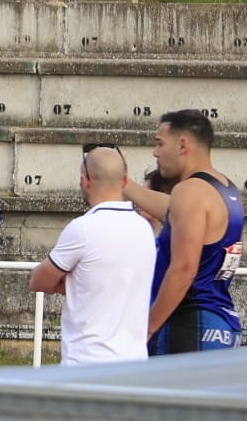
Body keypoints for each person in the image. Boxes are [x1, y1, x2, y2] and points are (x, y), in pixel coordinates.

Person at [125, 109, 244, 354]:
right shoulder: (224, 189)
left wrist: (146, 330)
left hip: (190, 324)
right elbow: (171, 211)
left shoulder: (188, 192)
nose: (155, 152)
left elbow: (183, 270)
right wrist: (124, 183)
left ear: (182, 145)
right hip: (219, 322)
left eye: (160, 144)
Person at [29, 144, 155, 365]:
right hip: (134, 362)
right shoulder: (144, 228)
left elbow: (39, 281)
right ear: (125, 181)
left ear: (84, 180)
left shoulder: (83, 228)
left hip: (86, 362)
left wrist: (73, 283)